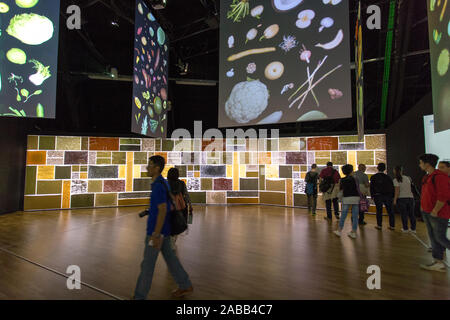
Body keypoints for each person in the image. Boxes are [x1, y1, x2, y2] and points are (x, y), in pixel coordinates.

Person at [133, 156, 193, 299]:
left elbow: (163, 209)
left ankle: (139, 297)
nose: (147, 167)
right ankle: (185, 285)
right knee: (171, 260)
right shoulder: (162, 183)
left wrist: (156, 234)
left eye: (150, 165)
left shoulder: (159, 185)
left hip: (157, 232)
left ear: (157, 168)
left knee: (147, 266)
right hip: (164, 232)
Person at [418, 154, 450, 273]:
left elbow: (444, 196)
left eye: (421, 163)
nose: (420, 165)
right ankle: (438, 262)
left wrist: (436, 210)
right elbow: (426, 193)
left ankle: (438, 262)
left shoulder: (439, 177)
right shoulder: (427, 177)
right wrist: (423, 206)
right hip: (428, 211)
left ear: (427, 164)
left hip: (438, 213)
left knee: (440, 237)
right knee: (433, 237)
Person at [167, 167, 193, 249]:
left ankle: (170, 241)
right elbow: (186, 194)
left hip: (169, 207)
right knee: (177, 224)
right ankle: (173, 241)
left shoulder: (166, 183)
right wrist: (190, 205)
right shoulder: (181, 183)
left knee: (169, 224)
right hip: (180, 207)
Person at [334, 164, 360, 239]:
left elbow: (341, 189)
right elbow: (358, 188)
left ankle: (339, 230)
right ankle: (354, 232)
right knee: (355, 216)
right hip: (356, 197)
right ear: (351, 171)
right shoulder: (355, 179)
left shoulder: (342, 180)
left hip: (346, 198)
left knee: (343, 215)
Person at [370, 163, 395, 230]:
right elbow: (392, 187)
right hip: (388, 196)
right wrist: (392, 196)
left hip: (378, 196)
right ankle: (392, 225)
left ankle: (379, 225)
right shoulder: (388, 177)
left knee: (379, 211)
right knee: (390, 211)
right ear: (385, 169)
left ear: (377, 168)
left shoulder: (374, 177)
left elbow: (371, 187)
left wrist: (372, 195)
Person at [393, 166, 416, 233]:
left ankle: (405, 228)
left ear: (395, 171)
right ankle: (413, 229)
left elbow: (397, 192)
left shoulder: (395, 180)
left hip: (401, 199)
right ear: (401, 171)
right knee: (412, 214)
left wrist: (394, 200)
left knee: (404, 214)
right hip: (410, 198)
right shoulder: (408, 178)